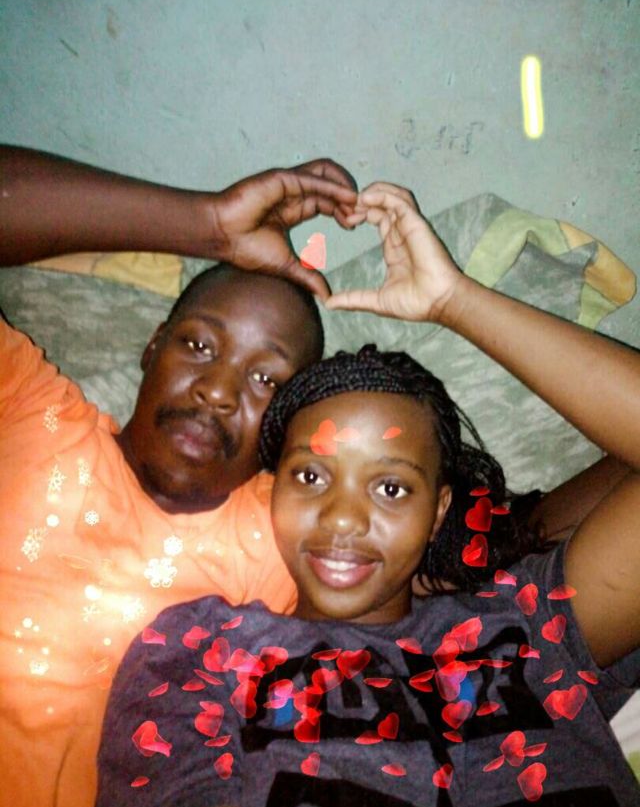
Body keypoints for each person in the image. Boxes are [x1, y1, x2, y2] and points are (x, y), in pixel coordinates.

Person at [96, 182, 640, 806]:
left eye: (390, 487)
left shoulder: (530, 626)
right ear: (272, 490)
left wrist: (455, 300)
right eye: (310, 477)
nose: (343, 519)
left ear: (437, 512)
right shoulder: (203, 653)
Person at [0, 145, 361, 807]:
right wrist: (209, 224)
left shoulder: (282, 534)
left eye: (265, 379)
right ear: (152, 346)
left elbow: (510, 556)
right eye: (198, 345)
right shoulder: (30, 410)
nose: (218, 390)